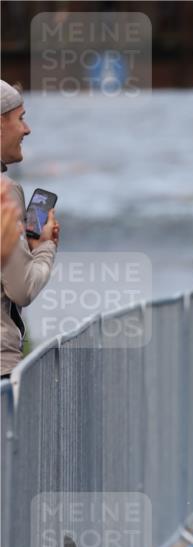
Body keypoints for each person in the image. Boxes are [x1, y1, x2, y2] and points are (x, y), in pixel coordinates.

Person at [0, 80, 59, 378]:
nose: (27, 129)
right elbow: (21, 288)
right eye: (20, 118)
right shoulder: (4, 192)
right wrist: (45, 248)